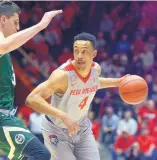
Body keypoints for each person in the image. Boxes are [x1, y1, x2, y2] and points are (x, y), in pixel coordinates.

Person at [26, 32, 129, 160]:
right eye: (76, 51)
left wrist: (118, 82)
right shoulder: (62, 76)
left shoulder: (95, 70)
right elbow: (31, 99)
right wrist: (63, 116)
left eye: (84, 52)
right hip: (56, 129)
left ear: (94, 54)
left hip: (82, 128)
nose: (79, 56)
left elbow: (94, 83)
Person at [0, 1, 62, 160]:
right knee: (40, 154)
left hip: (7, 116)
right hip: (1, 118)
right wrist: (41, 25)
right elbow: (3, 45)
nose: (17, 28)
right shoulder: (3, 45)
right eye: (15, 22)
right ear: (3, 20)